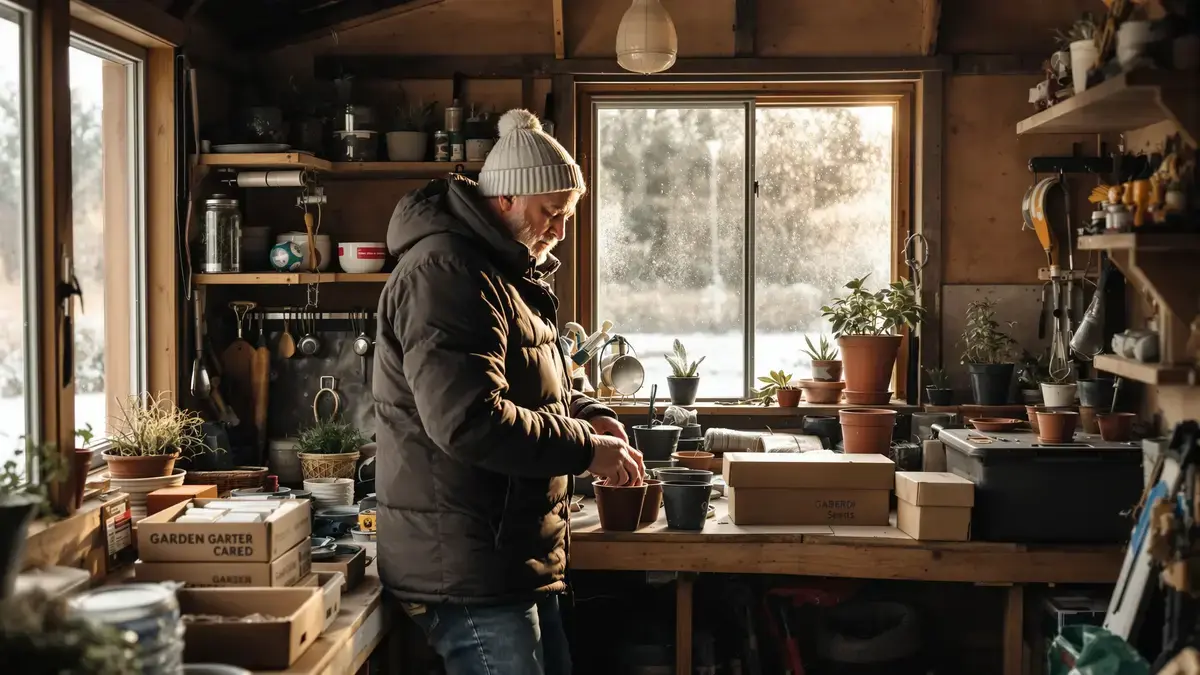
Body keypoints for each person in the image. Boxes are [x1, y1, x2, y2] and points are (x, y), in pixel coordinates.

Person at [373, 108, 645, 675]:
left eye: (567, 214)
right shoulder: (446, 273)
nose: (561, 229)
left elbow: (535, 384)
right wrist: (586, 447)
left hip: (505, 555)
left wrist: (590, 413)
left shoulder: (503, 273)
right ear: (506, 201)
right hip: (466, 564)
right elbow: (469, 420)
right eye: (552, 212)